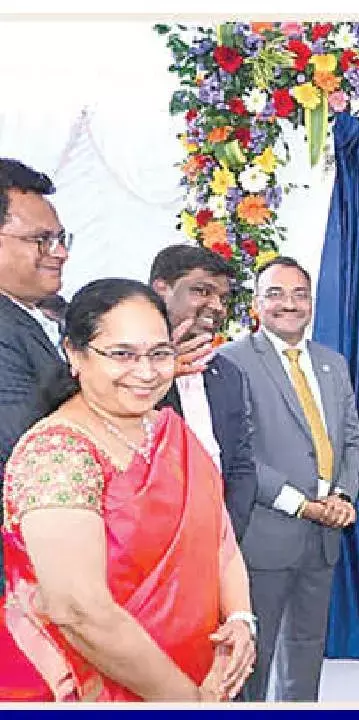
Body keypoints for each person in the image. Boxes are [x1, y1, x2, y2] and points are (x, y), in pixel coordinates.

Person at [0, 278, 255, 701]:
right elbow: (78, 611)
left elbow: (218, 537)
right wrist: (187, 702)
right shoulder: (57, 453)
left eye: (159, 353)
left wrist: (242, 617)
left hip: (195, 671)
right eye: (122, 354)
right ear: (74, 354)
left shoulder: (168, 430)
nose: (146, 372)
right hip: (78, 686)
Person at [220, 256, 359, 702]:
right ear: (256, 304)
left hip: (324, 535)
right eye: (276, 294)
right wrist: (300, 504)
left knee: (306, 649)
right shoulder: (231, 362)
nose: (289, 304)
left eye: (299, 294)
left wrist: (341, 494)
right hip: (266, 533)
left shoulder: (332, 363)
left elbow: (354, 439)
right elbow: (236, 454)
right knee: (252, 657)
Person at [148, 245, 257, 542]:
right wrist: (161, 369)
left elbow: (241, 465)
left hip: (217, 540)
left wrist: (226, 532)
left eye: (223, 297)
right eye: (202, 291)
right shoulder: (129, 370)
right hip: (149, 542)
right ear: (162, 290)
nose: (218, 306)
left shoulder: (229, 374)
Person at [0, 158, 71, 596]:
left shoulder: (52, 314)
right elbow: (21, 442)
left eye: (61, 239)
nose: (59, 252)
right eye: (41, 240)